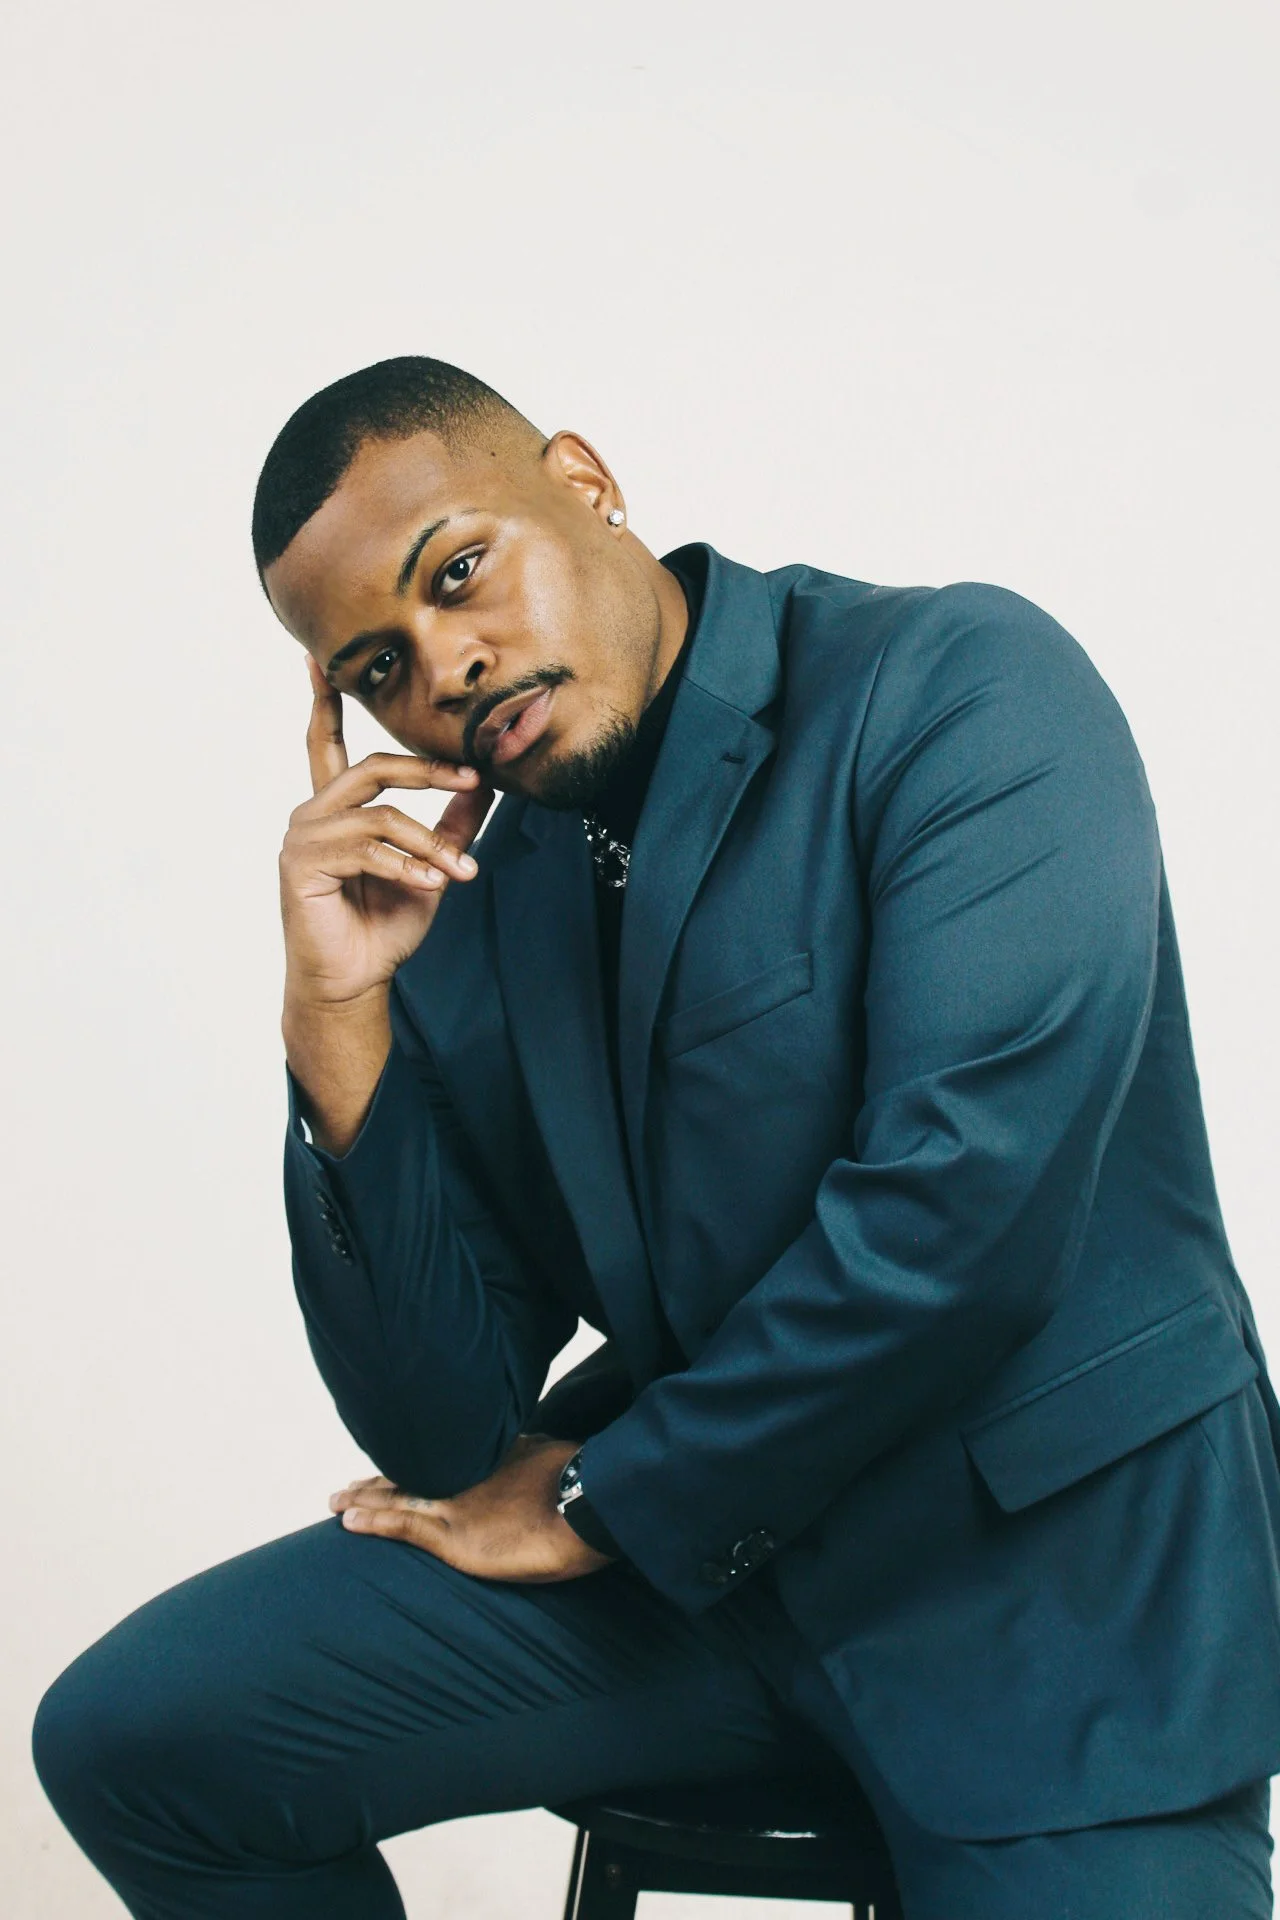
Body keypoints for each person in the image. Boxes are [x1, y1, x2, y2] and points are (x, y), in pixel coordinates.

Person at [30, 355, 1280, 1918]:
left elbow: (964, 1219)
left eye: (460, 574)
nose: (449, 670)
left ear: (584, 478)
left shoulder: (963, 686)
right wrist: (336, 1029)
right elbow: (437, 1431)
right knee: (141, 1742)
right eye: (381, 666)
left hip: (1061, 1612)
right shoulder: (464, 892)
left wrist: (597, 1499)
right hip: (708, 1591)